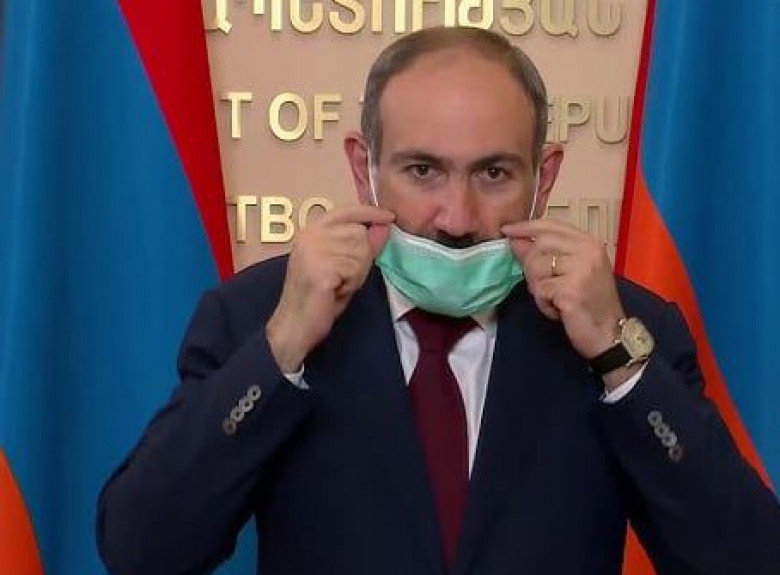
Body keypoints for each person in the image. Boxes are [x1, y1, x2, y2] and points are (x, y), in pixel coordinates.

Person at [97, 26, 780, 575]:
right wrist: (280, 349)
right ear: (363, 167)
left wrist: (619, 361)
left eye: (494, 172)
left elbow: (745, 559)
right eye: (422, 170)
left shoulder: (625, 327)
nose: (456, 217)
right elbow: (142, 550)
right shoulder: (257, 315)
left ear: (544, 178)